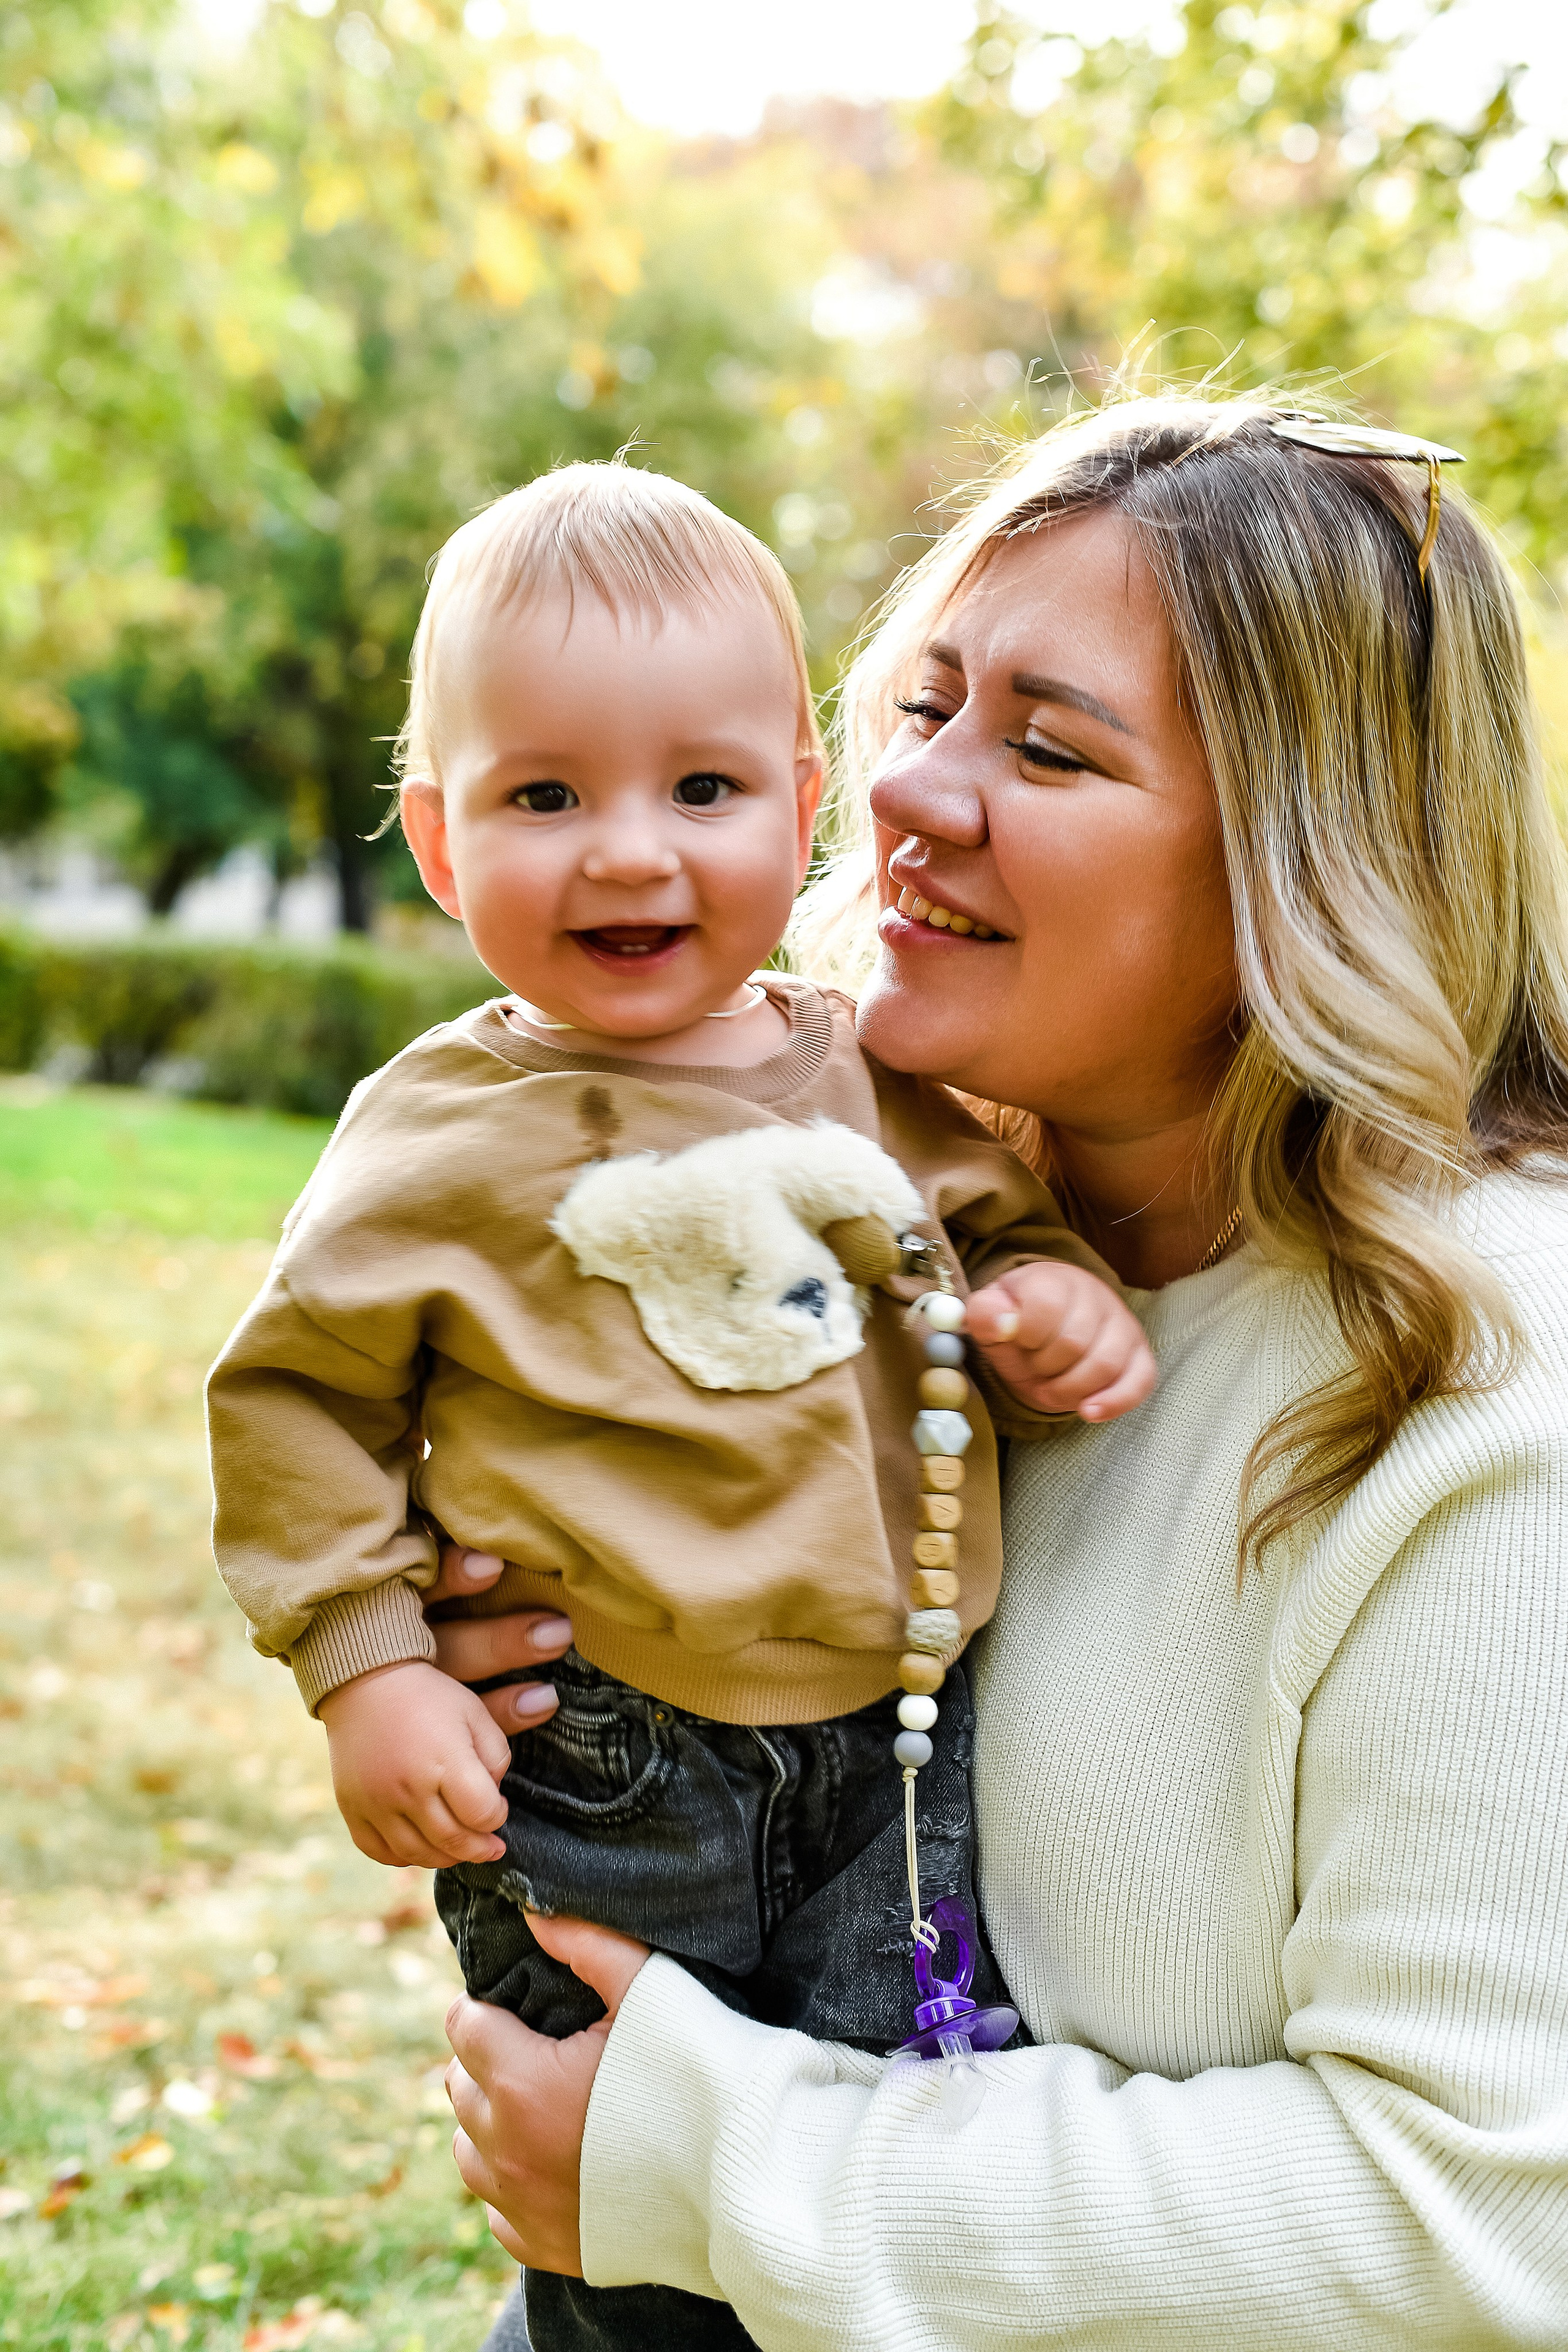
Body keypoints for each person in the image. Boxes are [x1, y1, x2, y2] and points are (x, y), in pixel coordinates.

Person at [437, 393, 1568, 2350]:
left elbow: (1480, 2222)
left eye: (1046, 747)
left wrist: (715, 2169)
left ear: (1311, 862)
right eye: (924, 706)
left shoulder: (1489, 1388)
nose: (913, 796)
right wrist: (565, 1644)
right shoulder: (910, 1251)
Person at [204, 462, 1155, 2351]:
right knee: (620, 2215)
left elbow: (988, 1230)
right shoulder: (433, 1135)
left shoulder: (867, 1074)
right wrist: (370, 1657)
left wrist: (1054, 1300)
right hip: (594, 1758)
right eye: (545, 797)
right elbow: (297, 1402)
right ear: (438, 840)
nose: (631, 853)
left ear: (804, 800)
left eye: (701, 790)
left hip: (895, 1749)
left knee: (871, 2158)